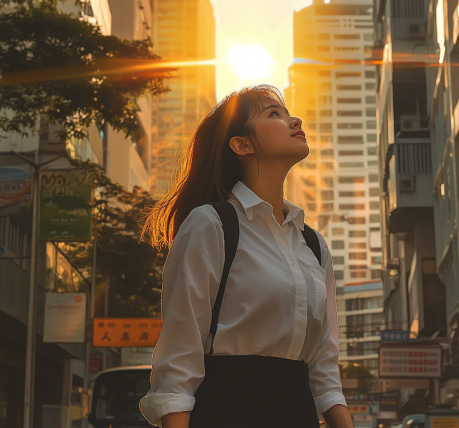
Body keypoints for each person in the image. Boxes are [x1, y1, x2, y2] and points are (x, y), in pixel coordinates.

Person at [139, 85, 354, 428]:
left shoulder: (313, 246)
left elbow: (325, 369)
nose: (294, 120)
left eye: (287, 113)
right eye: (274, 115)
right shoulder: (211, 225)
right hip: (227, 412)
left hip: (299, 416)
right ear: (242, 144)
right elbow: (180, 358)